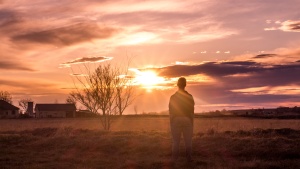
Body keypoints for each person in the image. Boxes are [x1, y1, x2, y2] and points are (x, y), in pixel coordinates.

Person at [169, 77, 195, 161]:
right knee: (188, 141)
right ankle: (189, 159)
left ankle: (174, 159)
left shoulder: (173, 97)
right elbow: (192, 112)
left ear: (177, 85)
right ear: (185, 85)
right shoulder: (190, 96)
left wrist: (171, 122)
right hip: (187, 119)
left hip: (176, 120)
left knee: (176, 141)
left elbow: (171, 112)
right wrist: (191, 122)